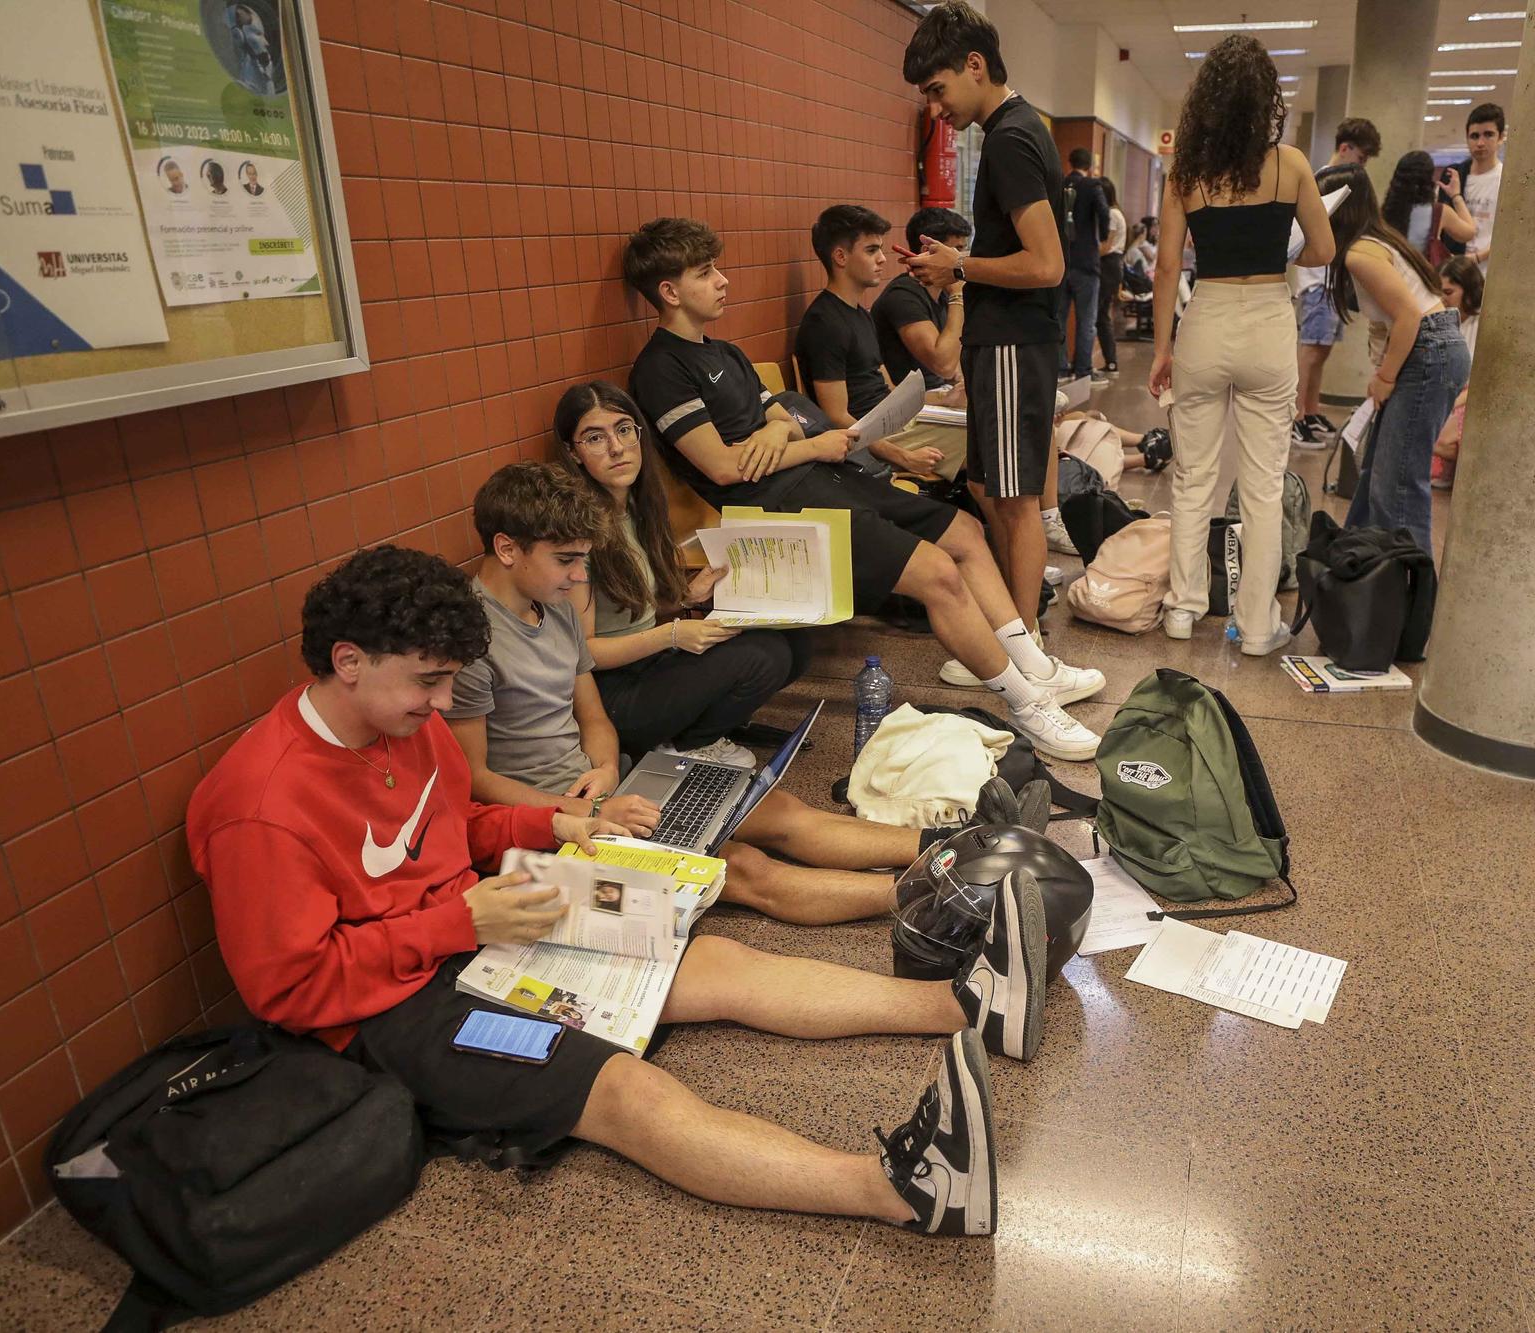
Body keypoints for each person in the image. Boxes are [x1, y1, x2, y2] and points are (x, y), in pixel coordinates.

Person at [188, 544, 1044, 1239]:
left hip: (475, 923)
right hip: (385, 1011)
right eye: (428, 681)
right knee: (626, 1094)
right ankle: (908, 1190)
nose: (445, 702)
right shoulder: (259, 807)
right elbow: (288, 989)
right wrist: (456, 921)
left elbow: (454, 828)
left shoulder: (403, 724)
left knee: (711, 955)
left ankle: (964, 1005)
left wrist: (550, 828)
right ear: (348, 662)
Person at [623, 217, 1103, 760]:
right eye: (706, 273)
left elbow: (780, 414)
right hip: (777, 511)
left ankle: (1034, 666)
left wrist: (781, 430)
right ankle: (1026, 706)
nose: (723, 281)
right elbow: (725, 468)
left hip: (820, 479)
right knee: (939, 575)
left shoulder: (726, 353)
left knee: (965, 531)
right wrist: (806, 444)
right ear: (668, 291)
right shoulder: (661, 369)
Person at [449, 459, 918, 925]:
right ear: (507, 549)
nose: (578, 577)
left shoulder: (554, 610)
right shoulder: (469, 641)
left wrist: (608, 768)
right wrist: (588, 807)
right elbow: (475, 780)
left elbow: (593, 717)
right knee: (743, 868)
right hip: (553, 820)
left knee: (775, 811)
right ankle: (939, 895)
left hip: (607, 791)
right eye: (566, 560)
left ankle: (948, 845)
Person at [1147, 36, 1335, 651]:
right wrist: (1286, 254)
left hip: (1207, 317)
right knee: (1262, 485)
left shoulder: (1187, 175)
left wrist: (1161, 350)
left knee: (1192, 477)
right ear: (1266, 100)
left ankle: (1182, 609)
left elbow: (1168, 267)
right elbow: (1325, 250)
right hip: (1267, 323)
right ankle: (1257, 627)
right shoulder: (1292, 165)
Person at [901, 2, 1070, 658]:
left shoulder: (1008, 138)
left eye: (939, 91)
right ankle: (1014, 626)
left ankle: (1023, 646)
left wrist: (962, 265)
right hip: (1002, 338)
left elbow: (1047, 264)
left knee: (1013, 496)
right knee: (984, 484)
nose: (937, 110)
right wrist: (956, 273)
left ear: (975, 66)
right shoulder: (1018, 130)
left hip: (1011, 342)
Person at [1326, 165, 1470, 557]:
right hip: (1432, 350)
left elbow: (1408, 316)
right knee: (1380, 478)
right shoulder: (1375, 240)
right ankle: (1363, 575)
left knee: (1398, 485)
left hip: (1427, 353)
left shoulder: (1359, 252)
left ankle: (1409, 600)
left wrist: (1385, 377)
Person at [794, 206, 946, 478]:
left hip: (897, 427)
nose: (882, 259)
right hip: (873, 443)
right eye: (871, 250)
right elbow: (838, 418)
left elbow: (888, 388)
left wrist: (941, 399)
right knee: (987, 447)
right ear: (840, 257)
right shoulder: (824, 323)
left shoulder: (861, 314)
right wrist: (905, 458)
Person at [1292, 116, 1381, 445]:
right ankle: (1296, 415)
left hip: (1332, 281)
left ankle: (1311, 409)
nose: (1363, 165)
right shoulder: (1320, 184)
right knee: (1311, 351)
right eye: (1361, 157)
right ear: (1345, 148)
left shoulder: (1339, 184)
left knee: (1322, 351)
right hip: (1317, 282)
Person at [875, 208, 971, 390]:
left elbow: (956, 360)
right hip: (911, 404)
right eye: (957, 250)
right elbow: (944, 366)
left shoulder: (943, 292)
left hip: (940, 393)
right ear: (928, 251)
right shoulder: (902, 296)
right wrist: (958, 296)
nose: (963, 258)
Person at [1055, 148, 1109, 384]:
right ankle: (1083, 369)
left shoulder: (1058, 185)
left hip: (1060, 262)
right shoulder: (1092, 186)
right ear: (1089, 165)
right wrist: (1103, 236)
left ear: (1070, 162)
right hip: (1086, 262)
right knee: (1087, 320)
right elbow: (1104, 213)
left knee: (1058, 317)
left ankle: (1060, 368)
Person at [1430, 255, 1483, 491]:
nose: (1442, 299)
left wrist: (1452, 404)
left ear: (1469, 291)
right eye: (1438, 292)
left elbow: (1483, 384)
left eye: (1449, 292)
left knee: (1443, 440)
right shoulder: (1435, 319)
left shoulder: (1483, 323)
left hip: (1471, 397)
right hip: (1447, 393)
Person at [1382, 151, 1476, 259]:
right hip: (1422, 273)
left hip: (1388, 271)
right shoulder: (1439, 212)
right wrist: (1456, 196)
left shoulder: (1384, 211)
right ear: (1429, 179)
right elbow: (1469, 233)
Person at [1456, 104, 1506, 271]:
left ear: (1501, 137)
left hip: (1489, 271)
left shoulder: (1505, 180)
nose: (1480, 143)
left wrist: (1477, 258)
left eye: (1488, 135)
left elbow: (1509, 235)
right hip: (1456, 273)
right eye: (1474, 136)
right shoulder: (1456, 177)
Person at [1095, 178, 1127, 375]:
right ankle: (1111, 361)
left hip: (1109, 265)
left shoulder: (1112, 214)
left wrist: (1085, 254)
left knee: (1100, 315)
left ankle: (1111, 361)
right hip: (1113, 266)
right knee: (1101, 315)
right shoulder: (1117, 213)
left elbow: (1106, 246)